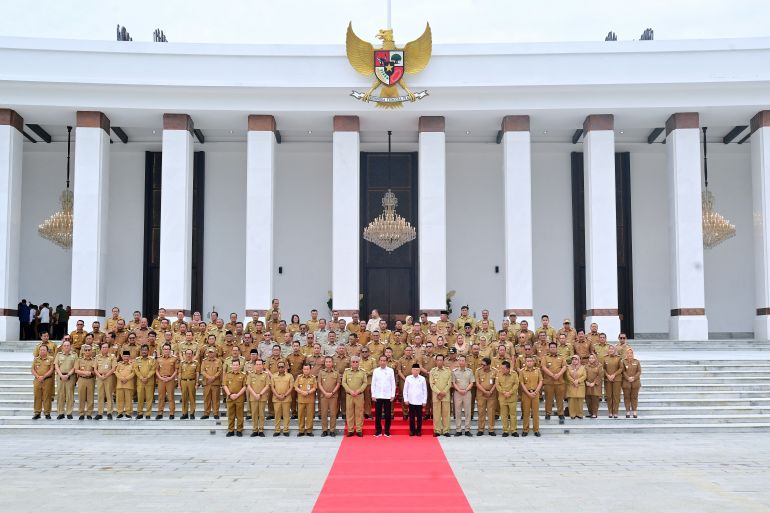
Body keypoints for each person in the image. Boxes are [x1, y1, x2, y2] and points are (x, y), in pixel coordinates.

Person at [541, 341, 567, 423]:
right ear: (549, 348)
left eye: (554, 347)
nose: (553, 348)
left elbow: (565, 366)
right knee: (548, 399)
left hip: (559, 382)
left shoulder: (561, 357)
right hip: (549, 382)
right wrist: (552, 375)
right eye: (551, 347)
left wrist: (559, 374)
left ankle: (561, 413)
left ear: (556, 348)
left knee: (560, 399)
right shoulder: (545, 357)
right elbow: (543, 367)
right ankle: (548, 413)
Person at [342, 356, 367, 437]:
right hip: (349, 396)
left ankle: (359, 430)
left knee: (359, 413)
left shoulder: (362, 372)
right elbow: (344, 383)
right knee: (349, 413)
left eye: (356, 362)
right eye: (353, 362)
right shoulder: (346, 371)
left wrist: (358, 391)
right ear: (351, 362)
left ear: (359, 362)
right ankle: (350, 430)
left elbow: (365, 383)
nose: (355, 363)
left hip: (359, 396)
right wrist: (350, 391)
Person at [372, 355, 396, 437]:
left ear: (387, 361)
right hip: (378, 395)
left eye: (384, 360)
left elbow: (393, 383)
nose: (382, 362)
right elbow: (373, 383)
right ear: (379, 361)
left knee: (388, 415)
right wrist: (373, 394)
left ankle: (387, 430)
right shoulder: (376, 371)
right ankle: (378, 431)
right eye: (381, 360)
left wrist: (393, 394)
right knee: (378, 414)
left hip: (387, 396)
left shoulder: (390, 371)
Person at [429, 354, 452, 437]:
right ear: (435, 361)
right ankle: (437, 430)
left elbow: (449, 383)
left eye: (441, 360)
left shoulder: (448, 371)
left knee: (446, 413)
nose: (439, 361)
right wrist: (439, 392)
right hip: (436, 396)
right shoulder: (432, 371)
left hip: (445, 395)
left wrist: (443, 392)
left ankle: (446, 430)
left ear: (443, 361)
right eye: (438, 360)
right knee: (436, 414)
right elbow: (432, 384)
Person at [519, 355, 542, 437]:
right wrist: (528, 393)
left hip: (535, 393)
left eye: (531, 361)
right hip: (526, 394)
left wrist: (536, 392)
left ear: (534, 362)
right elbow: (521, 383)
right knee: (526, 413)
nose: (529, 362)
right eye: (528, 361)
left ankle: (536, 430)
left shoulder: (538, 370)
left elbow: (540, 381)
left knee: (535, 413)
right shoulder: (522, 371)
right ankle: (525, 429)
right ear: (525, 362)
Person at [451, 354, 475, 436]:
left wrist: (466, 390)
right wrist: (459, 390)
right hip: (457, 393)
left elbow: (472, 382)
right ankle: (458, 430)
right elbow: (453, 383)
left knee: (467, 411)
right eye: (460, 360)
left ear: (465, 362)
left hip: (467, 393)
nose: (461, 362)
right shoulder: (454, 371)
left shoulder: (469, 371)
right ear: (458, 361)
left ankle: (467, 429)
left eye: (463, 360)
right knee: (458, 412)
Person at [246, 358, 270, 437]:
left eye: (260, 364)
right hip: (253, 397)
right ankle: (255, 430)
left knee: (262, 414)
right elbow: (248, 386)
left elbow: (267, 386)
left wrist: (260, 394)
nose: (258, 366)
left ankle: (261, 430)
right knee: (254, 414)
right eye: (257, 364)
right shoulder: (250, 374)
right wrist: (255, 394)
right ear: (254, 365)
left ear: (262, 365)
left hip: (262, 397)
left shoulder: (265, 374)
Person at [54, 339, 77, 419]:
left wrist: (68, 375)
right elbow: (56, 365)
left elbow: (75, 367)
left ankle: (69, 413)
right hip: (60, 377)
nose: (66, 347)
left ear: (70, 346)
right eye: (65, 345)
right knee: (60, 395)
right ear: (62, 347)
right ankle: (60, 412)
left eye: (68, 345)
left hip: (70, 377)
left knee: (70, 395)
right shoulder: (58, 355)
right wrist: (61, 375)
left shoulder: (74, 355)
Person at [318, 356, 341, 437]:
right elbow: (319, 384)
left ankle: (332, 430)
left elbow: (338, 383)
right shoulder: (321, 372)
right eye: (326, 362)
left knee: (333, 413)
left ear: (332, 363)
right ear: (324, 363)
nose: (328, 363)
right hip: (324, 396)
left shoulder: (336, 372)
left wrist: (332, 392)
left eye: (329, 361)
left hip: (333, 396)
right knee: (324, 414)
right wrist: (324, 393)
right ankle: (324, 430)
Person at [496, 361, 520, 437]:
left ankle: (514, 430)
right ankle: (505, 431)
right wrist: (503, 392)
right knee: (504, 415)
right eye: (501, 368)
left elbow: (516, 384)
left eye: (503, 368)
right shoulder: (499, 374)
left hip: (512, 398)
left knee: (513, 415)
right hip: (502, 398)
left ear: (508, 368)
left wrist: (510, 392)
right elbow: (497, 384)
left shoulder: (514, 374)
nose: (502, 369)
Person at [223, 359, 247, 437]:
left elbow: (245, 386)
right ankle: (231, 430)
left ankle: (239, 430)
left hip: (239, 398)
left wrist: (238, 395)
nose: (235, 366)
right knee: (231, 415)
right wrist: (230, 394)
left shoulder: (243, 375)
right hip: (230, 398)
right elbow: (225, 385)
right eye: (234, 365)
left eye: (237, 365)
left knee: (240, 415)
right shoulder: (227, 374)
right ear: (231, 366)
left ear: (239, 366)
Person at [155, 343, 179, 419]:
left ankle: (171, 413)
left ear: (170, 350)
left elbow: (176, 370)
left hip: (170, 380)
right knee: (161, 397)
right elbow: (156, 370)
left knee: (171, 397)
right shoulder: (159, 359)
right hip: (161, 379)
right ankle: (160, 413)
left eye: (168, 349)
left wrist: (170, 377)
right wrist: (160, 378)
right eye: (165, 349)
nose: (166, 350)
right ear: (162, 350)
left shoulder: (174, 358)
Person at [94, 341, 117, 420]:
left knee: (109, 395)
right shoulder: (97, 357)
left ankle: (109, 412)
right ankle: (100, 413)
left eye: (106, 347)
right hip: (100, 378)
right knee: (100, 395)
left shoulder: (112, 357)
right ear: (101, 349)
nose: (104, 349)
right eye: (103, 347)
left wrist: (106, 375)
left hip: (109, 377)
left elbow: (113, 368)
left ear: (108, 348)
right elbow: (95, 368)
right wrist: (100, 376)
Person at [31, 343, 54, 419]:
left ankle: (47, 413)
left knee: (47, 397)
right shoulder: (36, 359)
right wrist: (38, 376)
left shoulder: (51, 359)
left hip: (47, 380)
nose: (42, 351)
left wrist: (43, 377)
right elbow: (32, 369)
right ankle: (37, 413)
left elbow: (51, 369)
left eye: (44, 350)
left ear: (47, 351)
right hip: (37, 380)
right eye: (40, 350)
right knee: (37, 396)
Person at [403, 363, 427, 436]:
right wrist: (406, 399)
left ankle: (419, 430)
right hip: (411, 401)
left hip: (419, 401)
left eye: (417, 370)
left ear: (419, 371)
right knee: (412, 417)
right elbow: (405, 390)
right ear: (412, 370)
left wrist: (424, 401)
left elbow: (424, 390)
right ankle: (412, 430)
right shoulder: (408, 378)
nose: (416, 371)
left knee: (419, 417)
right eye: (414, 370)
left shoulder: (422, 379)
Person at [270, 361, 294, 436]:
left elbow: (291, 387)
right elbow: (272, 387)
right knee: (277, 415)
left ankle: (286, 430)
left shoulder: (290, 376)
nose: (281, 368)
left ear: (285, 367)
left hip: (286, 398)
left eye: (282, 367)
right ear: (277, 368)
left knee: (286, 415)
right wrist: (277, 395)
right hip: (276, 398)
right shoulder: (273, 376)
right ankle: (277, 430)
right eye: (279, 367)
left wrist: (285, 395)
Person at [133, 344, 156, 419]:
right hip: (140, 381)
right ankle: (140, 413)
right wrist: (141, 377)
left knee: (149, 398)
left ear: (148, 351)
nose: (144, 351)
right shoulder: (137, 360)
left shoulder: (152, 360)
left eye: (145, 350)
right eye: (142, 350)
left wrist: (147, 377)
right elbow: (136, 370)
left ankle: (148, 414)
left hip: (149, 381)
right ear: (140, 351)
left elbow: (153, 369)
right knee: (140, 398)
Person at [475, 357, 497, 436]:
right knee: (481, 412)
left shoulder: (495, 371)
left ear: (489, 365)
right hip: (481, 394)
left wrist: (490, 391)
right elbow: (477, 383)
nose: (482, 366)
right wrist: (484, 391)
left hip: (491, 394)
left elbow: (496, 383)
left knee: (491, 412)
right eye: (482, 364)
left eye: (484, 365)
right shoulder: (478, 371)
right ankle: (481, 429)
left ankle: (491, 429)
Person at [294, 363, 317, 436]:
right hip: (301, 400)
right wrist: (302, 392)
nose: (306, 370)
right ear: (302, 370)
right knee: (300, 415)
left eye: (307, 369)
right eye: (304, 369)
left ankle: (309, 430)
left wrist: (308, 392)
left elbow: (315, 387)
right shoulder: (299, 377)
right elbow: (295, 387)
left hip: (310, 400)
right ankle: (301, 430)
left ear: (310, 369)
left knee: (310, 415)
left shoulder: (313, 378)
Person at [74, 344, 96, 419]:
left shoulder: (94, 360)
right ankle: (81, 413)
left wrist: (90, 373)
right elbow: (76, 370)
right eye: (86, 350)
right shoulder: (79, 360)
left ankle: (89, 413)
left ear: (91, 351)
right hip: (81, 379)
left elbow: (96, 370)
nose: (87, 351)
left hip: (91, 380)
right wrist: (85, 373)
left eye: (89, 350)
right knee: (81, 397)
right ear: (83, 351)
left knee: (90, 397)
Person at [201, 347, 223, 419]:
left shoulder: (218, 361)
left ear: (215, 353)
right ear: (207, 353)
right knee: (206, 398)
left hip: (215, 383)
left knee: (216, 399)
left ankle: (215, 413)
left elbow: (220, 370)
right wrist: (209, 377)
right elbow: (202, 371)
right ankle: (206, 413)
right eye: (209, 352)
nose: (211, 353)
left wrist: (213, 377)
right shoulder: (204, 361)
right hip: (207, 383)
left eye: (212, 352)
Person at [603, 345, 623, 418]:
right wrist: (607, 375)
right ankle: (610, 412)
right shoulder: (605, 358)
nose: (611, 350)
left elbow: (621, 368)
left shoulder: (618, 358)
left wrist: (614, 375)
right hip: (607, 379)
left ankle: (615, 412)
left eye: (612, 349)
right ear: (608, 350)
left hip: (617, 379)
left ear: (615, 350)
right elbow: (603, 368)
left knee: (616, 396)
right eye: (610, 349)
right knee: (609, 396)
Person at [178, 349, 199, 420]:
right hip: (183, 382)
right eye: (187, 353)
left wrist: (197, 383)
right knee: (184, 398)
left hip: (192, 382)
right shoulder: (182, 363)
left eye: (190, 354)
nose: (188, 355)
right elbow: (180, 373)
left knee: (192, 398)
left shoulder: (196, 363)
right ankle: (185, 413)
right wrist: (178, 384)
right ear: (185, 354)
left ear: (192, 355)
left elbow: (197, 373)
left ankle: (192, 413)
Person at [622, 348, 642, 418]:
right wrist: (628, 378)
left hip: (635, 383)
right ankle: (627, 411)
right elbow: (623, 371)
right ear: (626, 354)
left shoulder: (637, 362)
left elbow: (639, 371)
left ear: (633, 354)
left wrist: (634, 378)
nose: (629, 354)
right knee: (626, 397)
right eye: (628, 353)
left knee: (634, 397)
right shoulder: (623, 362)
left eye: (631, 353)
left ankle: (634, 411)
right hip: (626, 383)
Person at [115, 351, 135, 418]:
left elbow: (133, 373)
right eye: (124, 356)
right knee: (119, 399)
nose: (126, 358)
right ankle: (119, 412)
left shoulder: (132, 364)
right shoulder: (119, 364)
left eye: (127, 356)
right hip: (120, 384)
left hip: (128, 385)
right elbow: (116, 372)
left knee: (128, 399)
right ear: (122, 357)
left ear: (129, 357)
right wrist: (121, 378)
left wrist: (126, 379)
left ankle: (128, 413)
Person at [585, 354, 604, 418]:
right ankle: (590, 413)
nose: (591, 359)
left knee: (595, 400)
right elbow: (584, 374)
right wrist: (586, 381)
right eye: (590, 358)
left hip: (595, 385)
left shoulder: (599, 365)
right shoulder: (586, 366)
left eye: (593, 358)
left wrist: (594, 382)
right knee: (588, 400)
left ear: (595, 358)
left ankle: (595, 413)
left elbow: (600, 375)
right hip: (588, 384)